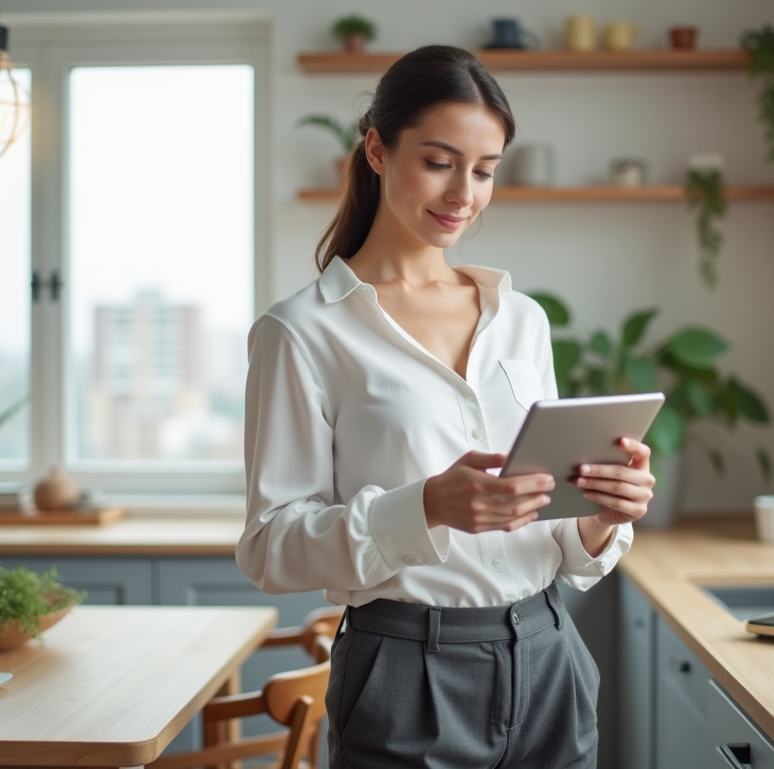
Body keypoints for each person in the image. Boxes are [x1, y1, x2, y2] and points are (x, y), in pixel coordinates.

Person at [236, 44, 655, 769]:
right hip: (404, 671)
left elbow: (559, 539)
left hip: (550, 656)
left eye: (486, 170)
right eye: (439, 161)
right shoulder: (301, 332)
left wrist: (601, 513)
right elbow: (270, 546)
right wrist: (425, 505)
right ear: (376, 148)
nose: (465, 192)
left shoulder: (520, 318)